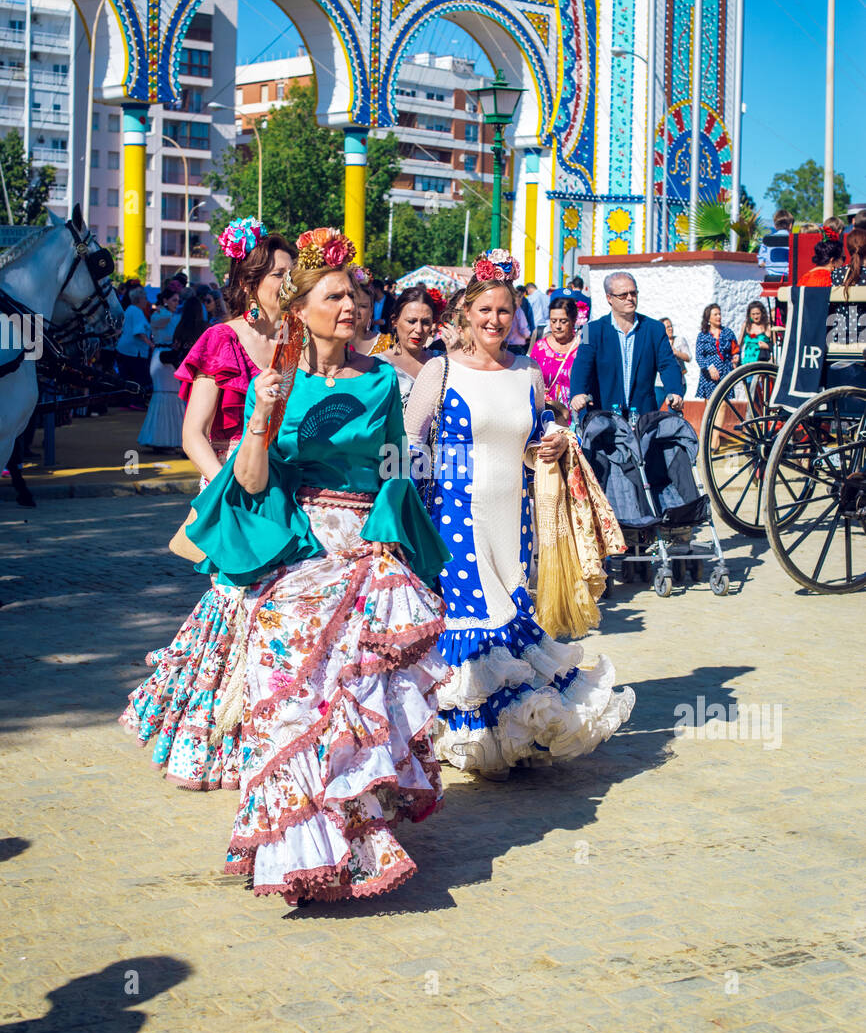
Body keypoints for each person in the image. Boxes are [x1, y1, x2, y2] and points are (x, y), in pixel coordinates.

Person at [184, 226, 449, 906]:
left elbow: (396, 467)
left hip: (360, 546)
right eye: (335, 296)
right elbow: (249, 482)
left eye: (357, 296)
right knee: (286, 688)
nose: (351, 307)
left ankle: (357, 837)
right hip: (299, 549)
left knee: (348, 698)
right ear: (299, 308)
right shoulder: (277, 382)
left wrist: (386, 540)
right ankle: (295, 844)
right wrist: (258, 421)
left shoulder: (383, 381)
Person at [404, 250, 635, 780]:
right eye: (484, 310)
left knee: (510, 614)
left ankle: (515, 731)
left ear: (515, 316)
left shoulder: (528, 372)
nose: (493, 320)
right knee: (478, 623)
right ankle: (471, 740)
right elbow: (410, 441)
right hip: (455, 519)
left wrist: (551, 443)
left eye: (504, 311)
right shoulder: (440, 370)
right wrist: (415, 507)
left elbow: (532, 441)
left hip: (516, 517)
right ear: (464, 315)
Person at [120, 219, 298, 791]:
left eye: (294, 275)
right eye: (279, 276)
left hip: (281, 482)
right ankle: (208, 733)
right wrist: (223, 486)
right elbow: (193, 433)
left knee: (273, 609)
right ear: (249, 283)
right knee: (235, 605)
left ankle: (265, 729)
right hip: (228, 480)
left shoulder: (298, 340)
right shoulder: (221, 340)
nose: (288, 285)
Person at [569, 271, 685, 418]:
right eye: (623, 295)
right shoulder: (589, 330)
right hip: (604, 417)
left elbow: (668, 364)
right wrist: (578, 393)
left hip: (643, 418)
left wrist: (674, 390)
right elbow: (582, 364)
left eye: (633, 293)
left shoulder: (655, 329)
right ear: (609, 298)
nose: (630, 298)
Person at [137, 290, 186, 450]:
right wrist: (163, 309)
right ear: (165, 300)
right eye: (173, 300)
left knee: (172, 396)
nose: (176, 303)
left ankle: (172, 439)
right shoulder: (159, 315)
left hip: (171, 357)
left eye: (178, 300)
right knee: (162, 395)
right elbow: (159, 322)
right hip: (160, 357)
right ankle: (160, 439)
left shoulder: (172, 316)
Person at [380, 285, 437, 406]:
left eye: (426, 322)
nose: (419, 329)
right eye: (411, 321)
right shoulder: (379, 366)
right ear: (394, 321)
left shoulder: (440, 362)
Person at [530, 296, 581, 415]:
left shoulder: (581, 349)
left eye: (563, 321)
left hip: (574, 416)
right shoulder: (540, 348)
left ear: (573, 321)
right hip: (546, 414)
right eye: (553, 321)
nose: (557, 326)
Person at [115, 286, 153, 407]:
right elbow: (139, 332)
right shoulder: (136, 311)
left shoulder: (131, 309)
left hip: (126, 349)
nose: (146, 301)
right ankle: (136, 401)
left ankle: (127, 401)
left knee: (127, 376)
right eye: (145, 298)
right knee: (138, 376)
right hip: (133, 351)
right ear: (139, 299)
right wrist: (151, 344)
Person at [695, 303, 739, 399]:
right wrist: (709, 367)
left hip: (725, 373)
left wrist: (736, 357)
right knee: (710, 406)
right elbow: (699, 356)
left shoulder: (728, 333)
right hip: (709, 375)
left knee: (724, 402)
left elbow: (735, 350)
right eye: (715, 314)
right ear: (708, 318)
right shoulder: (702, 335)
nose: (718, 317)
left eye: (719, 314)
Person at [653, 318, 691, 407]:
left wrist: (676, 353)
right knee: (654, 409)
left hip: (678, 382)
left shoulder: (679, 340)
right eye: (667, 327)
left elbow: (688, 357)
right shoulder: (657, 342)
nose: (670, 329)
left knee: (674, 410)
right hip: (659, 384)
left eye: (671, 326)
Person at [351, 275, 392, 355]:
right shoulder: (332, 342)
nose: (357, 311)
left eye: (363, 306)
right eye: (353, 304)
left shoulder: (385, 343)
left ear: (371, 310)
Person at [757, 210, 793, 280]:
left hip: (772, 279)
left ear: (775, 226)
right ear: (790, 226)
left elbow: (761, 263)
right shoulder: (794, 240)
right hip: (790, 280)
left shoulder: (767, 240)